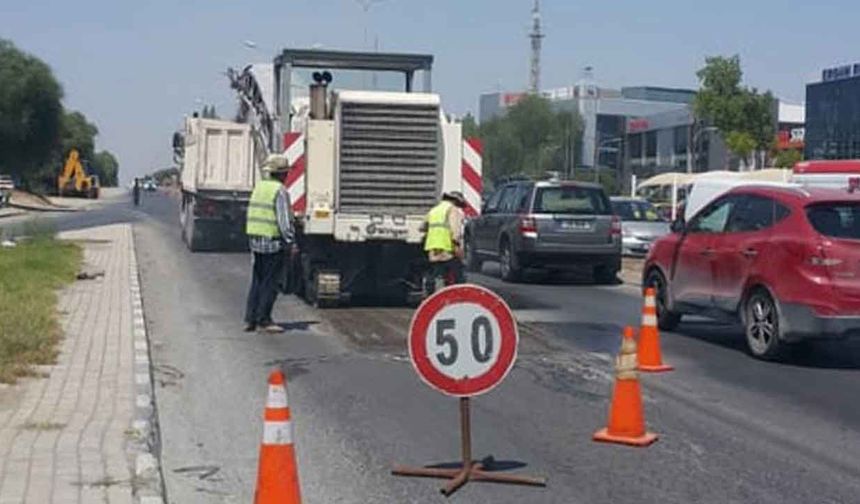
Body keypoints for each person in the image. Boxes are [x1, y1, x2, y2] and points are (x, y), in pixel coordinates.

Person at [244, 154, 294, 333]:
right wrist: (290, 241)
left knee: (257, 280)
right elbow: (284, 220)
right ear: (282, 174)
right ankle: (264, 319)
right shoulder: (279, 191)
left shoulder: (260, 187)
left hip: (255, 240)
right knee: (270, 282)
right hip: (272, 243)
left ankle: (250, 318)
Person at [424, 191, 467, 294]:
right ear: (455, 201)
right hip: (446, 247)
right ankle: (459, 294)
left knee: (436, 271)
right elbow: (455, 230)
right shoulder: (453, 210)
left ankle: (430, 294)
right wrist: (457, 246)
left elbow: (422, 227)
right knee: (458, 273)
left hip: (433, 247)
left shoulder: (434, 210)